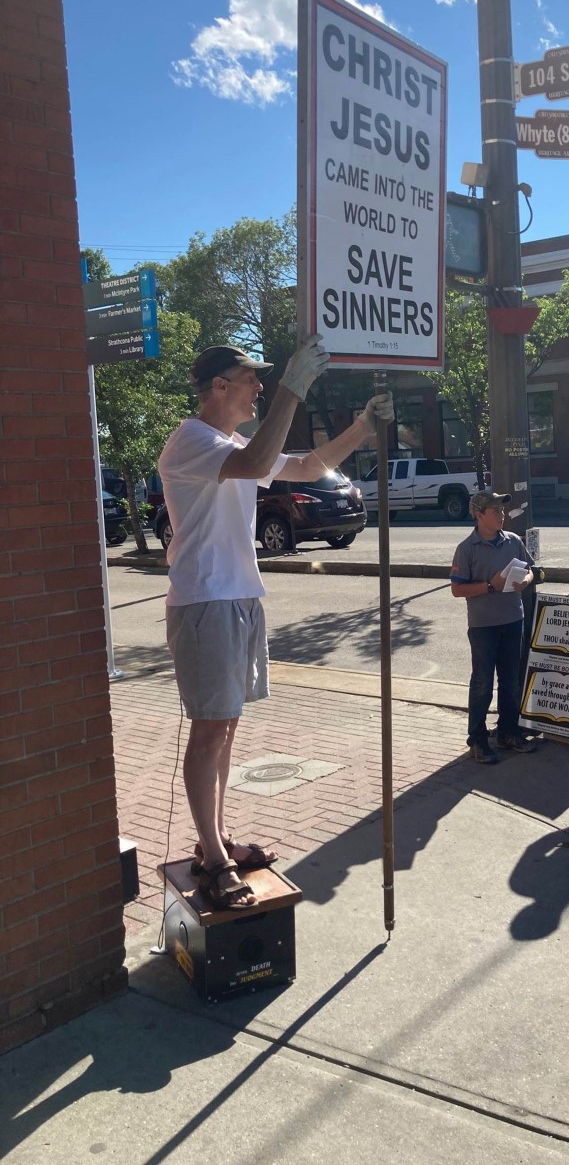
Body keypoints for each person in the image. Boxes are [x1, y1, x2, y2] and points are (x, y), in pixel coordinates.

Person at [158, 336, 394, 909]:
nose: (259, 388)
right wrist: (294, 386)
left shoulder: (231, 442)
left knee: (227, 727)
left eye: (266, 380)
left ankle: (215, 837)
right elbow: (261, 462)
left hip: (239, 598)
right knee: (210, 728)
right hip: (205, 601)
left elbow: (309, 467)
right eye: (251, 378)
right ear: (219, 386)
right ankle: (212, 855)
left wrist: (363, 426)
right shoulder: (192, 441)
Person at [450, 491, 540, 764]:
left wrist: (526, 579)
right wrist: (490, 586)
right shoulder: (467, 548)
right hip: (483, 627)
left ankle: (508, 732)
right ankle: (477, 740)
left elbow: (531, 569)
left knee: (511, 682)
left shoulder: (512, 541)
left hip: (513, 620)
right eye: (495, 511)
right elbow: (457, 589)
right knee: (482, 684)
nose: (502, 515)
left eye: (502, 511)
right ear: (479, 515)